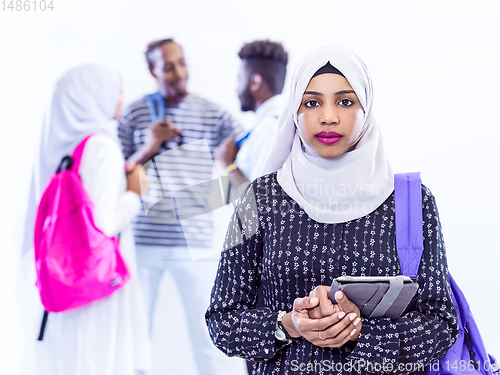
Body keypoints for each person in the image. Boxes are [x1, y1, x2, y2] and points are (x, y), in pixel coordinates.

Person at [205, 46, 459, 375]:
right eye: (312, 102)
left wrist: (360, 334)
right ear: (294, 111)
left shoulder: (411, 202)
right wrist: (288, 325)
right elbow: (222, 321)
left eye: (345, 101)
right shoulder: (261, 198)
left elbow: (442, 325)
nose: (328, 116)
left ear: (365, 108)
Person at [118, 38, 244, 375]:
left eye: (181, 62)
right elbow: (115, 176)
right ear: (152, 70)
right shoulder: (135, 113)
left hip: (196, 243)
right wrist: (149, 145)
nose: (177, 72)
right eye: (168, 65)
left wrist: (213, 196)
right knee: (135, 340)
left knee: (208, 338)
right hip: (144, 242)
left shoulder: (212, 112)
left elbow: (250, 152)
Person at [27, 64, 151, 375]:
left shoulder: (60, 148)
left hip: (64, 277)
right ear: (95, 96)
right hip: (97, 282)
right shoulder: (102, 147)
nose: (121, 98)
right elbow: (104, 224)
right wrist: (134, 193)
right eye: (117, 90)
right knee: (96, 360)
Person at [215, 40, 287, 200]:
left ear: (255, 82)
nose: (236, 88)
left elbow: (260, 202)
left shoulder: (268, 129)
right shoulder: (278, 124)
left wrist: (229, 165)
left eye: (240, 79)